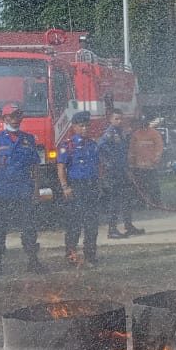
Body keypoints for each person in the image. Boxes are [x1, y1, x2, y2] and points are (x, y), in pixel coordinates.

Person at [0, 103, 46, 276]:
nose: (16, 120)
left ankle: (33, 262)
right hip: (2, 192)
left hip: (24, 192)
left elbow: (35, 166)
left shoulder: (28, 139)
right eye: (12, 116)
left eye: (18, 116)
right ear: (5, 119)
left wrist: (36, 190)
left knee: (29, 229)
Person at [57, 111, 101, 266]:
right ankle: (71, 254)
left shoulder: (93, 145)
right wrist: (65, 187)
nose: (85, 129)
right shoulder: (68, 145)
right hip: (76, 187)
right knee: (74, 223)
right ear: (74, 127)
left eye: (87, 126)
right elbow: (61, 168)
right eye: (81, 126)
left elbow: (98, 166)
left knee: (91, 224)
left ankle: (90, 255)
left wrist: (99, 184)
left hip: (91, 187)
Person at [99, 109, 142, 238]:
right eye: (116, 118)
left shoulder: (121, 133)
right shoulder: (109, 134)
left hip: (122, 170)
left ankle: (128, 225)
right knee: (115, 201)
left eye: (121, 118)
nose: (119, 121)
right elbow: (100, 148)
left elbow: (123, 152)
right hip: (113, 172)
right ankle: (112, 230)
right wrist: (108, 163)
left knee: (127, 199)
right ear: (110, 119)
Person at [128, 116, 165, 209]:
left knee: (153, 186)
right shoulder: (136, 134)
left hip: (150, 166)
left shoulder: (154, 134)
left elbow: (159, 147)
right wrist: (132, 162)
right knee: (140, 186)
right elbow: (132, 149)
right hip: (139, 166)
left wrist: (156, 159)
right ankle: (141, 204)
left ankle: (156, 203)